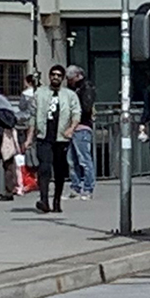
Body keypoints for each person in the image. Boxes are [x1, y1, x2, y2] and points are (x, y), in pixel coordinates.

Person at [34, 66, 82, 213]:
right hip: (44, 136)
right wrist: (30, 136)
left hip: (61, 138)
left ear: (62, 78)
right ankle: (44, 200)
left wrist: (71, 129)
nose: (55, 77)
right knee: (44, 168)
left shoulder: (69, 95)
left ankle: (56, 200)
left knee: (59, 170)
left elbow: (76, 113)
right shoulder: (40, 93)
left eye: (59, 75)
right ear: (49, 76)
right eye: (53, 74)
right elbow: (32, 114)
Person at [66, 65, 96, 201]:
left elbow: (86, 107)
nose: (69, 81)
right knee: (72, 159)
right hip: (71, 127)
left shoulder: (86, 88)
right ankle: (76, 187)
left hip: (82, 126)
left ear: (78, 76)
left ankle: (88, 188)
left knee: (84, 159)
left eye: (70, 78)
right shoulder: (72, 89)